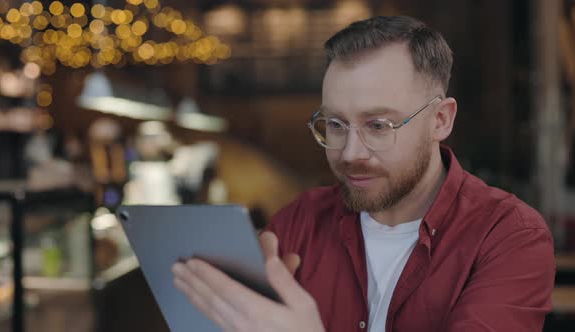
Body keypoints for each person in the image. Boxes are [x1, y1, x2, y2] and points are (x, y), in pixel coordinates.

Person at [171, 15, 555, 332]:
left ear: (440, 120)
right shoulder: (299, 221)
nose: (351, 153)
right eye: (335, 125)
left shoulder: (509, 236)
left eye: (378, 126)